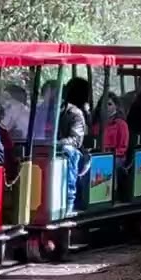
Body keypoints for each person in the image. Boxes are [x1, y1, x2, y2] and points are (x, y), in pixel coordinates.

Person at [58, 77, 90, 208]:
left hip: (78, 153)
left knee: (68, 151)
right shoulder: (44, 109)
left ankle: (69, 199)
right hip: (52, 149)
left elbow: (76, 140)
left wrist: (56, 143)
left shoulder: (75, 113)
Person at [94, 92, 131, 164]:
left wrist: (109, 152)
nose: (106, 107)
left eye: (109, 104)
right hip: (98, 156)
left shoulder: (121, 124)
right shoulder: (97, 124)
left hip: (116, 157)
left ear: (116, 106)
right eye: (103, 104)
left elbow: (122, 148)